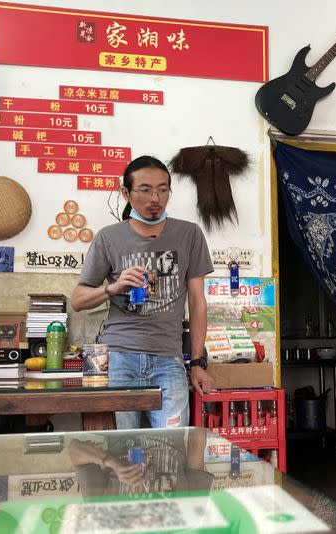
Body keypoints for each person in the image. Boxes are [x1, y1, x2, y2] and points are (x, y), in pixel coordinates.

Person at [71, 155, 214, 429]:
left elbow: (198, 303)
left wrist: (197, 362)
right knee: (125, 455)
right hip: (119, 357)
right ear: (126, 193)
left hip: (168, 360)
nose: (155, 198)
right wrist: (114, 287)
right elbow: (77, 300)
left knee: (172, 450)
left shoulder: (190, 235)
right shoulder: (109, 237)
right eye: (145, 190)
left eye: (163, 189)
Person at [68, 427, 212, 499]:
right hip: (168, 429)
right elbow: (196, 448)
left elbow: (74, 449)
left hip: (122, 429)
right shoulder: (188, 515)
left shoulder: (105, 515)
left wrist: (111, 462)